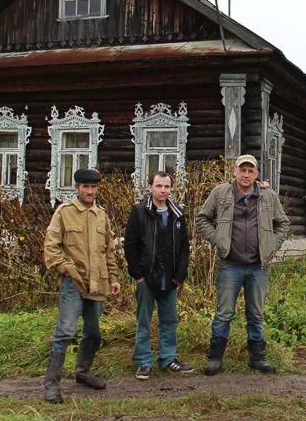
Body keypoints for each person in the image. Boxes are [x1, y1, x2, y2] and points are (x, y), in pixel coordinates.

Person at [195, 154, 290, 375]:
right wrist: (218, 238)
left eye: (250, 170)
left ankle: (257, 358)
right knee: (224, 313)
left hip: (258, 266)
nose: (246, 174)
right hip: (230, 265)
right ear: (235, 171)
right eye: (242, 170)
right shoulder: (220, 193)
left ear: (256, 174)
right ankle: (215, 358)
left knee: (256, 313)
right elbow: (202, 218)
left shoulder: (268, 195)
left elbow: (282, 223)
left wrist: (271, 245)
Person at [42, 168, 121, 403]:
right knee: (65, 332)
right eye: (85, 187)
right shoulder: (64, 213)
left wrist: (114, 278)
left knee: (93, 333)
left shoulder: (101, 215)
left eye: (94, 187)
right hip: (73, 283)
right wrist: (64, 268)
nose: (90, 191)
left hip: (98, 283)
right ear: (77, 188)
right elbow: (51, 245)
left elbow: (108, 250)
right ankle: (51, 384)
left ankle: (83, 371)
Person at [123, 170, 194, 380]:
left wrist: (180, 274)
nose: (163, 190)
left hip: (170, 278)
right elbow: (130, 245)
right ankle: (144, 362)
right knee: (144, 321)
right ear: (150, 187)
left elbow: (184, 248)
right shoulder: (139, 211)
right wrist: (138, 275)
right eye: (159, 186)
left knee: (170, 320)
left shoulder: (177, 213)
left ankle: (168, 358)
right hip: (147, 278)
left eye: (167, 186)